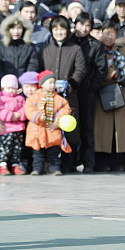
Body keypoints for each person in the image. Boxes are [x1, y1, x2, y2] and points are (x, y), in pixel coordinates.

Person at [40, 15, 86, 172]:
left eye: (62, 29)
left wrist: (71, 84)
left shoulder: (75, 49)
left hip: (69, 97)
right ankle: (50, 164)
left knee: (70, 130)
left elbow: (80, 70)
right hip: (48, 98)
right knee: (49, 129)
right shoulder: (45, 50)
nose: (59, 32)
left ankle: (69, 163)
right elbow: (40, 72)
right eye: (56, 29)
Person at [73, 13, 109, 173]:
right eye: (81, 25)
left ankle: (88, 163)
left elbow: (102, 69)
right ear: (75, 25)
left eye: (87, 26)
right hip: (71, 91)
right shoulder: (69, 41)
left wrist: (92, 87)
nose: (84, 29)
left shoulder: (95, 45)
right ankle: (70, 162)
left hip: (87, 92)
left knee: (87, 128)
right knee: (71, 127)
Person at [24, 70, 72, 175]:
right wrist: (38, 116)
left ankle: (55, 169)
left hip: (52, 130)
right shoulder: (34, 98)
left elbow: (65, 109)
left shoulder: (59, 99)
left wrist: (57, 121)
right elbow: (29, 110)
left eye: (53, 83)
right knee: (37, 153)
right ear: (41, 84)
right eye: (49, 82)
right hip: (37, 130)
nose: (52, 85)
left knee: (54, 152)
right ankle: (37, 169)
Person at [0, 74, 27, 175]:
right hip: (4, 129)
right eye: (8, 88)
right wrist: (10, 116)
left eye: (13, 88)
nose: (11, 90)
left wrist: (19, 115)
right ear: (2, 88)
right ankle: (3, 166)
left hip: (18, 128)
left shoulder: (20, 99)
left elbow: (25, 109)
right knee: (3, 148)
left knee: (17, 149)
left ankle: (15, 165)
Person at [0, 13, 40, 85]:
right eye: (12, 28)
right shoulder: (0, 45)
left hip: (25, 87)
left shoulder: (30, 47)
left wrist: (23, 84)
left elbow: (33, 66)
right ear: (7, 29)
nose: (16, 32)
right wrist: (6, 84)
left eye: (19, 28)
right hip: (4, 88)